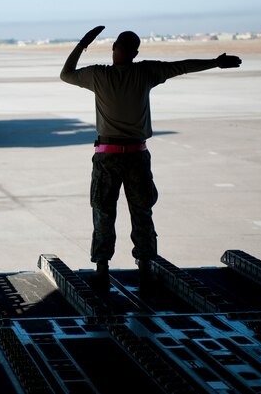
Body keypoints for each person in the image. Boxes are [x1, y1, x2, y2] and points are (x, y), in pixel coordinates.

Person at [60, 26, 242, 292]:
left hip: (108, 157)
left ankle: (103, 267)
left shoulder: (98, 74)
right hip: (136, 155)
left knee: (104, 212)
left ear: (115, 49)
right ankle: (144, 265)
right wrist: (214, 63)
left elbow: (66, 74)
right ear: (135, 52)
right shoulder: (145, 72)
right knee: (141, 212)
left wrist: (82, 44)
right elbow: (181, 67)